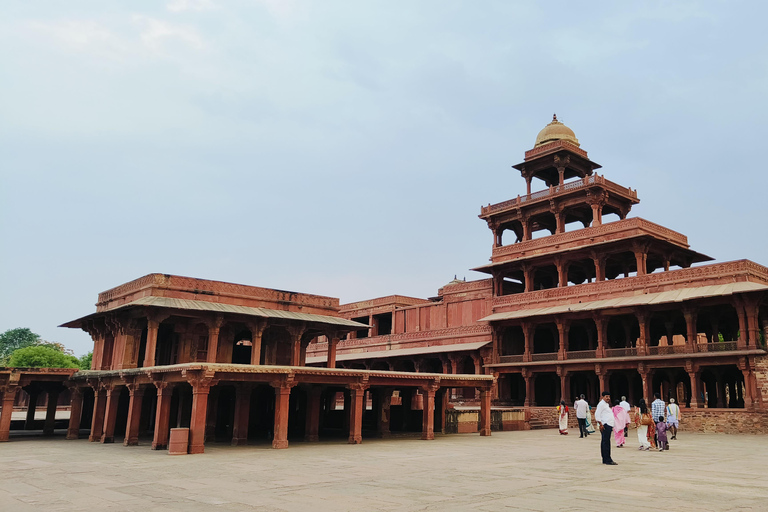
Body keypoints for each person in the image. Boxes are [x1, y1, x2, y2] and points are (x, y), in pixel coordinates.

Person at [595, 391, 617, 465]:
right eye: (606, 397)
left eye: (609, 397)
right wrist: (601, 424)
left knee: (606, 442)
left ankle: (605, 458)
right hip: (605, 425)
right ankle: (607, 459)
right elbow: (597, 415)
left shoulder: (605, 405)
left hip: (608, 424)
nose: (608, 398)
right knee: (606, 442)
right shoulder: (601, 404)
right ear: (603, 397)